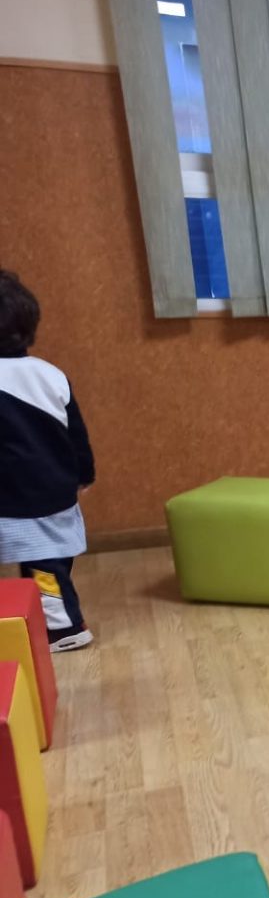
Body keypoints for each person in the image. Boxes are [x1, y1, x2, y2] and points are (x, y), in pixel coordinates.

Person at [0, 270, 95, 652]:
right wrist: (84, 473)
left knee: (42, 565)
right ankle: (57, 618)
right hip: (56, 489)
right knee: (49, 561)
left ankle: (65, 628)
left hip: (16, 497)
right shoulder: (50, 374)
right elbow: (76, 433)